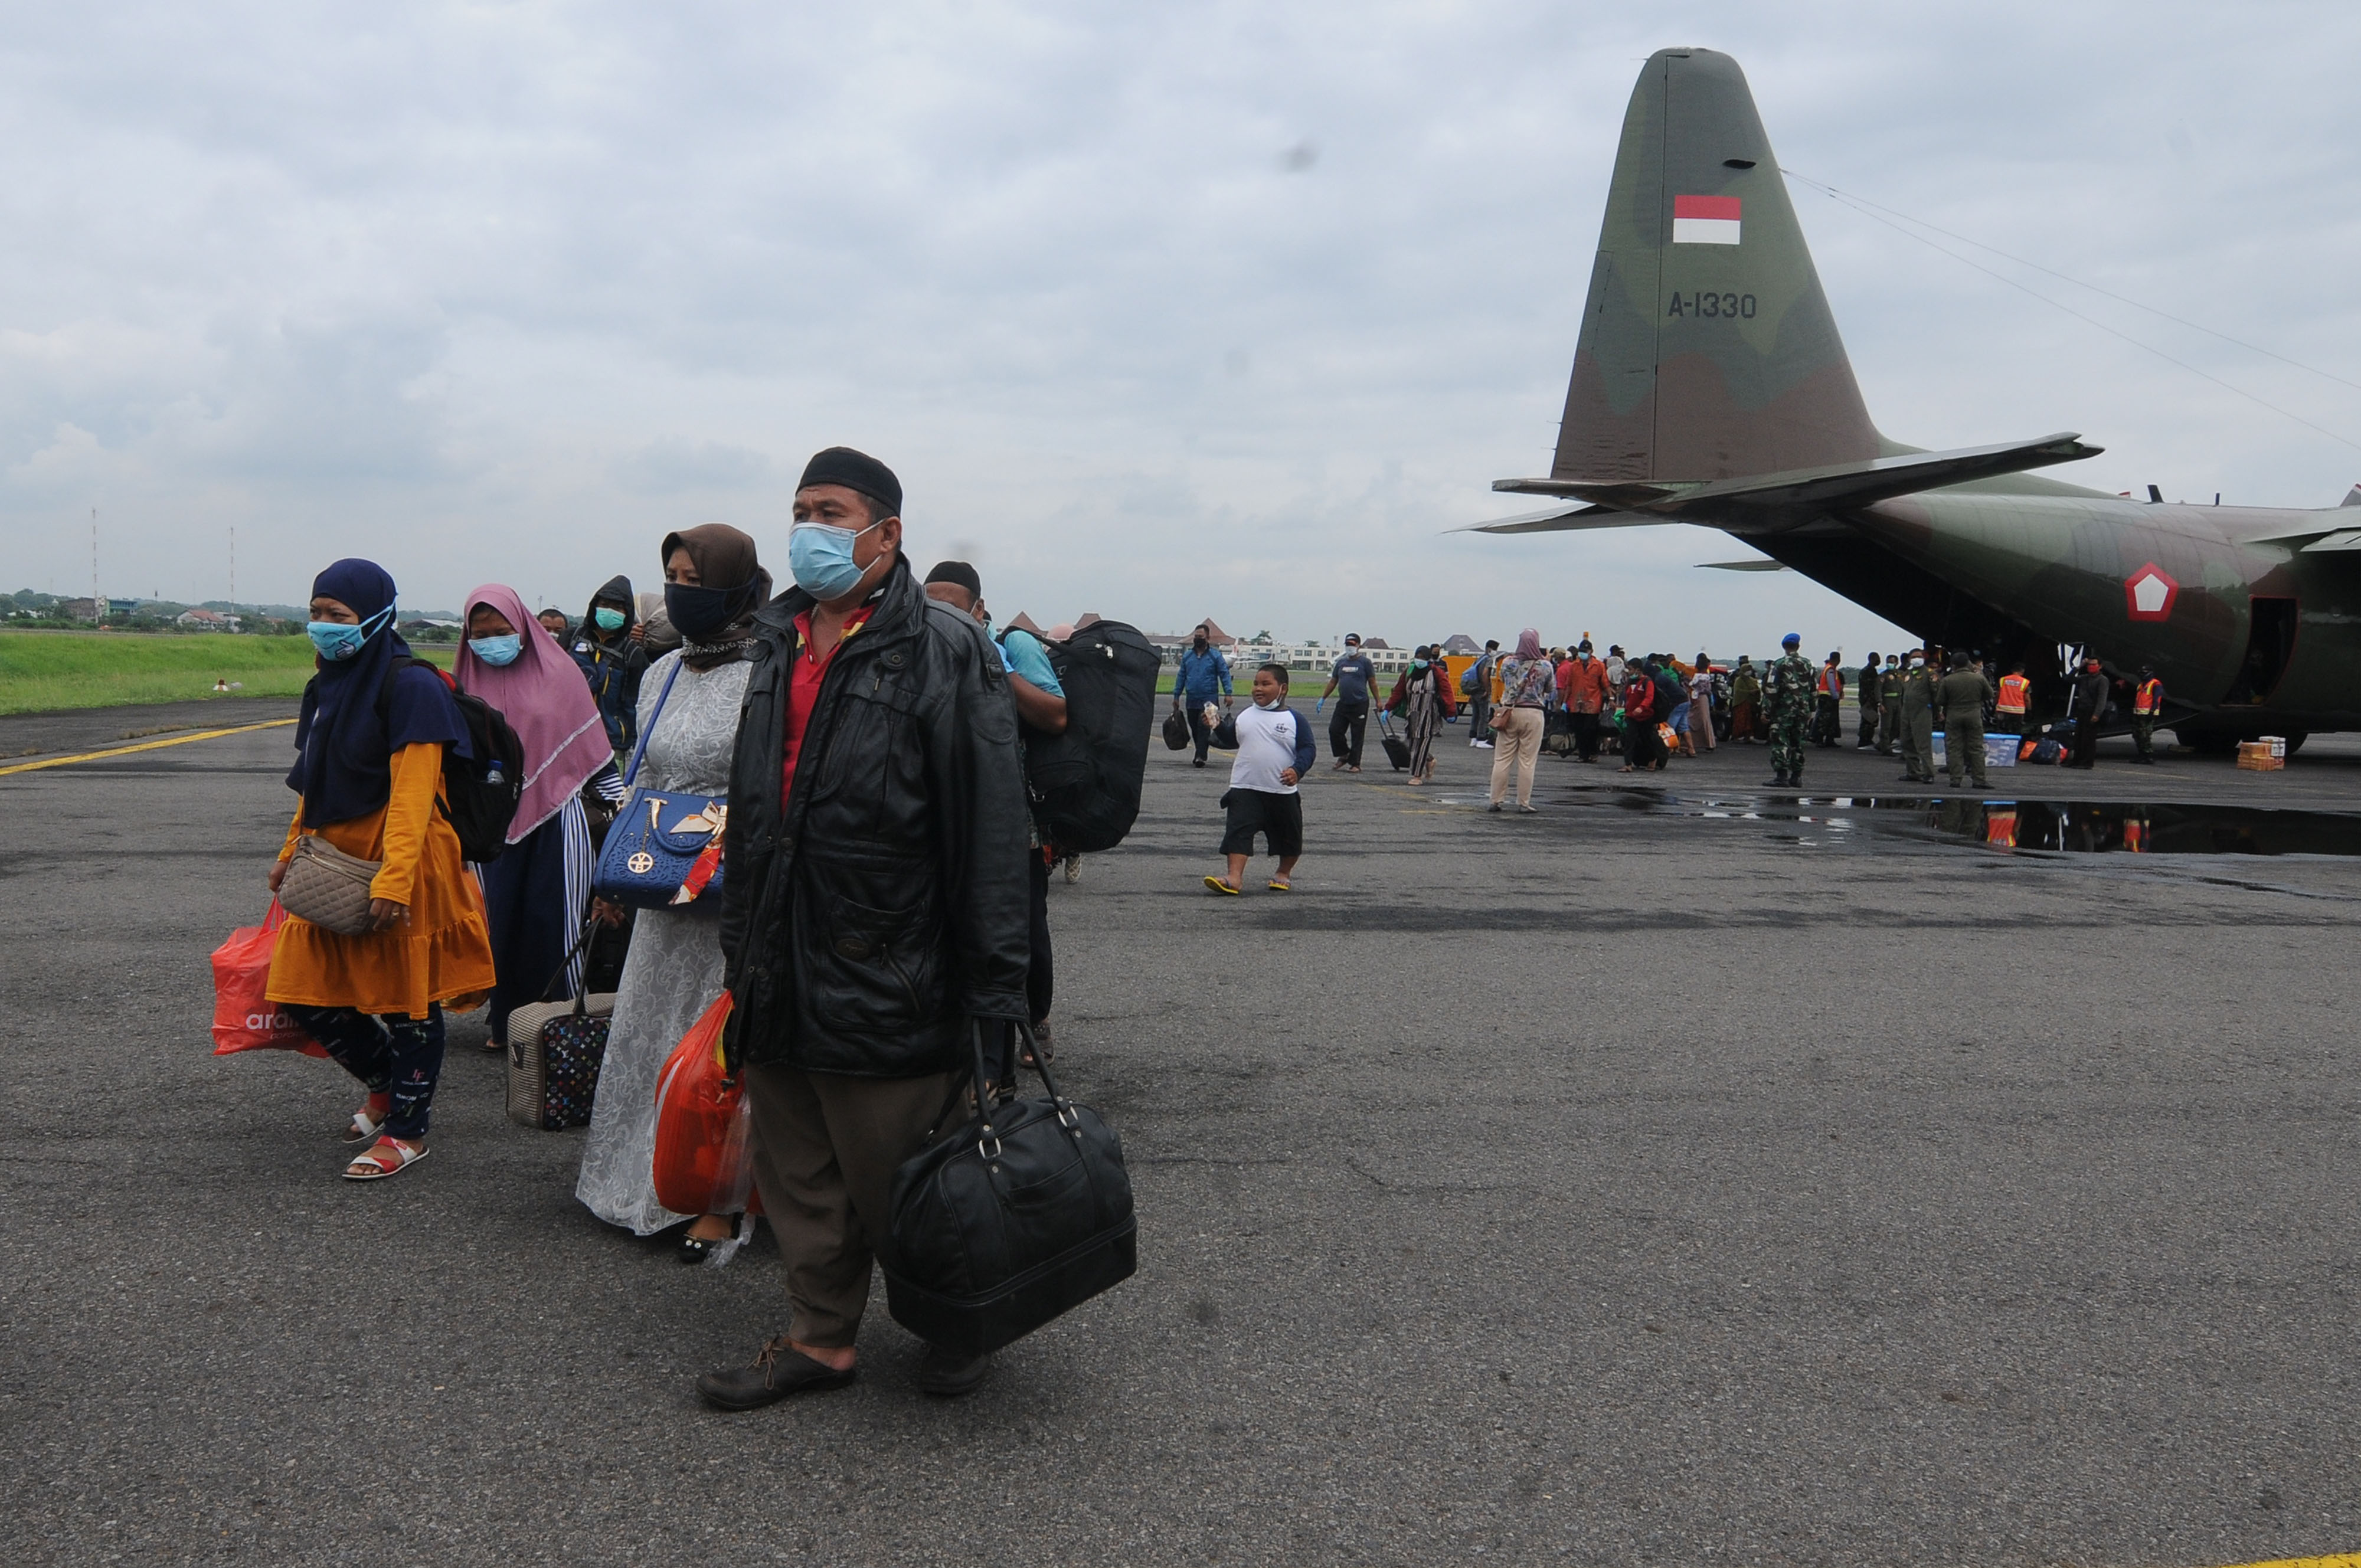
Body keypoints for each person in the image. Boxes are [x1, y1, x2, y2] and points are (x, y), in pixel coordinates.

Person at [701, 447, 1031, 1409]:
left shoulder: (944, 647)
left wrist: (994, 993)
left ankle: (959, 1320)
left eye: (830, 509)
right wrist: (739, 956)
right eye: (800, 508)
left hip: (891, 967)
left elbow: (990, 831)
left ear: (885, 532)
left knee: (905, 1182)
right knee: (799, 1173)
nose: (809, 526)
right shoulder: (777, 639)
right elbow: (752, 804)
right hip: (779, 959)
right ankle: (822, 1339)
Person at [264, 559, 496, 1181]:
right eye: (316, 613)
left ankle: (408, 1130)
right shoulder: (328, 683)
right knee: (299, 989)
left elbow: (415, 792)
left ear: (376, 616)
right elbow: (313, 784)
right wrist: (290, 850)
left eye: (337, 616)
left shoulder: (413, 685)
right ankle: (388, 1085)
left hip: (406, 860)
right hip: (332, 861)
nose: (323, 627)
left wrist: (395, 877)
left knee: (408, 1003)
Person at [578, 525, 771, 1263]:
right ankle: (633, 1180)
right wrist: (612, 875)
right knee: (649, 1034)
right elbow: (641, 777)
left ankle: (718, 1201)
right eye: (672, 575)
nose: (682, 589)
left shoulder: (766, 672)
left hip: (731, 891)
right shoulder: (661, 673)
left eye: (697, 577)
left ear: (736, 587)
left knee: (715, 1052)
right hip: (663, 891)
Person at [453, 584, 620, 1059]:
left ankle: (561, 1019)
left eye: (502, 631)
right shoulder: (461, 682)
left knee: (555, 918)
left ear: (522, 628)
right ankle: (506, 1019)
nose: (492, 640)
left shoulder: (562, 673)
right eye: (480, 633)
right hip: (488, 826)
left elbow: (593, 750)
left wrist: (621, 808)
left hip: (556, 817)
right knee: (496, 920)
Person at [921, 561, 1067, 1066]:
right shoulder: (921, 652)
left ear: (979, 610)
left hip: (1013, 821)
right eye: (930, 606)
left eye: (953, 608)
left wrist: (991, 666)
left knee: (1022, 924)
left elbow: (1055, 713)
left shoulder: (1013, 648)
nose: (941, 617)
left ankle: (1035, 1019)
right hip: (944, 818)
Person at [1205, 663, 1316, 893]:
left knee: (1290, 837)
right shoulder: (1246, 715)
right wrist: (1215, 724)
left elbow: (1308, 749)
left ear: (1283, 688)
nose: (1258, 689)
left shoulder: (1294, 719)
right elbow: (1231, 740)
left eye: (1266, 684)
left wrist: (1297, 770)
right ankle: (1234, 877)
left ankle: (1283, 873)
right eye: (1256, 683)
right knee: (1238, 832)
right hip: (1244, 787)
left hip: (1280, 791)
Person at [572, 575, 649, 757]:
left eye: (617, 607)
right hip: (567, 735)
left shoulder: (633, 655)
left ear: (627, 612)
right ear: (595, 606)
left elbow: (637, 705)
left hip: (610, 745)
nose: (609, 611)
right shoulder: (572, 638)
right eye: (605, 604)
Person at [1486, 628, 1552, 812]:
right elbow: (1550, 688)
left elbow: (1503, 681)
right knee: (1527, 761)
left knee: (1502, 759)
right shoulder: (1545, 666)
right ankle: (1524, 803)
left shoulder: (1507, 663)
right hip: (1534, 714)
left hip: (1510, 713)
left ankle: (1496, 800)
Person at [1172, 624, 1232, 768]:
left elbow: (1224, 674)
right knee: (1194, 727)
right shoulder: (1188, 657)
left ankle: (1201, 756)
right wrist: (1176, 695)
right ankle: (1199, 752)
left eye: (1201, 637)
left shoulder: (1215, 656)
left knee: (1204, 726)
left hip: (1210, 699)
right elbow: (1181, 676)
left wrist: (1228, 693)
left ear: (1208, 638)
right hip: (1192, 698)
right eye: (1196, 637)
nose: (1198, 639)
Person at [1391, 646, 1451, 784]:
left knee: (1422, 743)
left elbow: (1446, 691)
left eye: (1423, 658)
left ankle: (1417, 775)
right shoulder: (1410, 672)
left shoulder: (1436, 673)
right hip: (1412, 714)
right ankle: (1429, 760)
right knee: (1411, 744)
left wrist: (1451, 711)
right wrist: (1389, 708)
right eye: (1418, 658)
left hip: (1429, 714)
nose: (1420, 661)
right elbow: (1399, 691)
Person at [1318, 633, 1376, 772]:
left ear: (1358, 646)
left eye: (1353, 644)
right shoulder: (1341, 663)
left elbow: (1372, 682)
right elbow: (1333, 681)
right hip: (1344, 703)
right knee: (1334, 730)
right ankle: (1344, 754)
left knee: (1357, 735)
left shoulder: (1365, 663)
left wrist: (1379, 701)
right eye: (1348, 644)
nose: (1350, 647)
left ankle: (1356, 763)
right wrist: (1323, 698)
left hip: (1360, 703)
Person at [1938, 651, 1995, 790]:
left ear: (1954, 665)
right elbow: (1990, 695)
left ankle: (1955, 779)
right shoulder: (1979, 679)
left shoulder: (1948, 680)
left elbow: (1940, 700)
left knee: (1954, 748)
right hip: (1974, 715)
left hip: (1954, 715)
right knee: (1976, 748)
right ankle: (1979, 780)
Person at [1764, 634, 1815, 787]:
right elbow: (1813, 689)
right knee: (1798, 742)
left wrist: (1766, 711)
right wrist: (1812, 709)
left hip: (1783, 711)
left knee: (1780, 741)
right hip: (1802, 710)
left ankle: (1782, 776)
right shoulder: (1809, 664)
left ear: (1784, 647)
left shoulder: (1779, 664)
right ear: (1798, 646)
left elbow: (1772, 689)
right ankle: (1797, 776)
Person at [1560, 640, 1613, 762]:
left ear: (1591, 652)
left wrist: (1611, 698)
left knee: (1590, 730)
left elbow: (1605, 684)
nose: (1583, 654)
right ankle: (1583, 755)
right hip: (1576, 703)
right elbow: (1569, 685)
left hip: (1592, 703)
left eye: (1586, 651)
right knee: (1579, 730)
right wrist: (1564, 702)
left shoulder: (1599, 666)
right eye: (1581, 652)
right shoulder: (1574, 666)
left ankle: (1593, 752)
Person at [1898, 650, 1937, 783]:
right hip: (1906, 712)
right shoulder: (1907, 674)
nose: (1916, 659)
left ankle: (1929, 773)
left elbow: (1936, 694)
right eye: (1914, 657)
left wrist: (1938, 712)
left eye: (1919, 657)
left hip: (1922, 713)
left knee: (1923, 745)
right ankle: (1913, 772)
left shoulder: (1929, 674)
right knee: (1906, 743)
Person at [1617, 661, 1664, 773]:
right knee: (1629, 740)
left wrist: (1641, 708)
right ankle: (1628, 764)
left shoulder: (1647, 682)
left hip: (1646, 716)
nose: (1630, 672)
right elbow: (1628, 698)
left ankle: (1653, 759)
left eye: (1631, 669)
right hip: (1631, 716)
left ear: (1638, 670)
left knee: (1647, 739)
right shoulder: (1631, 682)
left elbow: (1649, 697)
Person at [2068, 656, 2108, 769]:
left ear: (2100, 666)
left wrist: (2097, 714)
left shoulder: (2102, 680)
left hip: (2092, 711)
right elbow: (2069, 679)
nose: (2091, 667)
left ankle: (2087, 763)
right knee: (2078, 737)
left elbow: (2102, 699)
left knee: (2088, 739)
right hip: (2082, 710)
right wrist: (2079, 666)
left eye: (2094, 664)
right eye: (2089, 665)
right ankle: (2076, 761)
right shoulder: (2084, 678)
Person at [1467, 639, 1500, 748]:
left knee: (1475, 714)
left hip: (1474, 689)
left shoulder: (1479, 659)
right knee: (1484, 715)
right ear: (1490, 649)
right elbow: (1485, 674)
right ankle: (1481, 738)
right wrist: (1487, 689)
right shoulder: (1489, 659)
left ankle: (1474, 737)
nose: (1495, 651)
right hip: (1481, 690)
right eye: (1495, 649)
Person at [2130, 664, 2166, 763]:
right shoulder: (2141, 685)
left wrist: (2152, 711)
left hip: (2148, 714)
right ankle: (2141, 754)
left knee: (2145, 735)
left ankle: (2148, 755)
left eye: (2144, 673)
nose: (2142, 675)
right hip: (2138, 713)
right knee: (2137, 735)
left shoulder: (2155, 684)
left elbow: (2157, 699)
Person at [1813, 652, 1845, 748]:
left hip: (1828, 697)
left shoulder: (1830, 669)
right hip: (1828, 698)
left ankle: (1829, 740)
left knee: (1831, 720)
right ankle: (1820, 739)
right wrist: (1836, 696)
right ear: (1838, 660)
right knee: (1824, 719)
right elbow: (1831, 684)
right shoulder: (1830, 669)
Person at [1686, 654, 1716, 755]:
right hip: (1703, 698)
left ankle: (1690, 743)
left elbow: (1690, 684)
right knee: (1705, 720)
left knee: (1691, 719)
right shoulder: (1707, 675)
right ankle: (1709, 743)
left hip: (1694, 696)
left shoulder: (1694, 674)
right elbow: (1708, 689)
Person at [1728, 656, 1762, 743]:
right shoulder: (1738, 679)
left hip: (1751, 703)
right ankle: (1736, 737)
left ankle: (1748, 737)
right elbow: (1738, 691)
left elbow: (1757, 688)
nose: (1749, 672)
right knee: (1740, 720)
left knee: (1750, 721)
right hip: (1741, 702)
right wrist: (1750, 692)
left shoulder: (1753, 680)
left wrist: (1756, 692)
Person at [1854, 653, 1882, 749]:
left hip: (1869, 699)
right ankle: (1864, 741)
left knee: (1871, 721)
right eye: (1876, 659)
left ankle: (1867, 739)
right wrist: (1869, 701)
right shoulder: (1868, 671)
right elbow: (1868, 688)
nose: (1879, 661)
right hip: (1868, 699)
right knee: (1868, 720)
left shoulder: (1871, 670)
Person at [1877, 654, 1904, 754]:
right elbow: (1878, 690)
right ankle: (1885, 748)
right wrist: (1880, 703)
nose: (1890, 664)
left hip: (1899, 701)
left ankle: (1883, 744)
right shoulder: (1883, 676)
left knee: (1898, 725)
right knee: (1886, 726)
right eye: (1888, 662)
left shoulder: (1901, 675)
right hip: (1888, 701)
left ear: (1897, 663)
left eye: (1892, 662)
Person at [1996, 662, 2032, 735]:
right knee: (2016, 733)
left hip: (2003, 710)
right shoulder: (2025, 682)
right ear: (2023, 671)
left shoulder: (2003, 680)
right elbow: (2027, 699)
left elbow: (1998, 694)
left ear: (2012, 671)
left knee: (2002, 732)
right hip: (2018, 712)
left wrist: (1994, 705)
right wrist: (2029, 710)